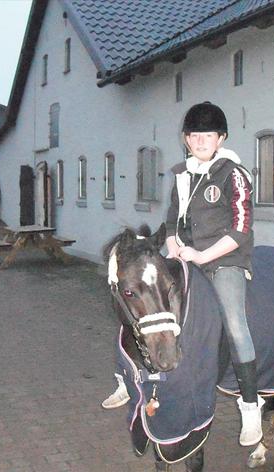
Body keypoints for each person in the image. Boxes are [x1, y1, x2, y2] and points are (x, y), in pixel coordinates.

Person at [102, 101, 263, 447]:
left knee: (235, 322)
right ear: (186, 140)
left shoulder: (233, 174)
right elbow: (173, 222)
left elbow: (241, 229)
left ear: (221, 139)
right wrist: (173, 247)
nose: (201, 141)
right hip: (187, 257)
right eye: (194, 136)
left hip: (224, 261)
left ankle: (250, 405)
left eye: (208, 135)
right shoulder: (182, 174)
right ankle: (127, 378)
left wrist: (201, 254)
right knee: (145, 299)